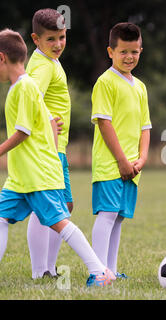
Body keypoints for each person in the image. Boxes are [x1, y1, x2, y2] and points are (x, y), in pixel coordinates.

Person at [0, 28, 115, 287]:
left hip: (37, 175)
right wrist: (52, 141)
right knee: (1, 218)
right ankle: (44, 269)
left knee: (60, 222)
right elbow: (50, 121)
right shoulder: (22, 87)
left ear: (2, 58)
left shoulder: (25, 87)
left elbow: (22, 132)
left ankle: (99, 271)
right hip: (21, 176)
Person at [90, 22, 151, 279]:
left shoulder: (140, 86)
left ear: (140, 51)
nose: (129, 57)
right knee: (107, 213)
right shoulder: (105, 82)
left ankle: (111, 271)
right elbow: (104, 123)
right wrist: (122, 160)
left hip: (132, 165)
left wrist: (142, 158)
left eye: (134, 52)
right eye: (123, 51)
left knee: (118, 218)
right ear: (110, 51)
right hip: (110, 163)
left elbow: (145, 127)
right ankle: (97, 272)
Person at [25, 8, 73, 279]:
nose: (58, 44)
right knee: (49, 207)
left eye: (62, 37)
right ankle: (40, 270)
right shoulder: (42, 65)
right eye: (51, 39)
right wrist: (46, 126)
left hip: (58, 148)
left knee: (64, 206)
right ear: (36, 39)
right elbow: (29, 100)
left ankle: (49, 268)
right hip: (48, 148)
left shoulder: (50, 61)